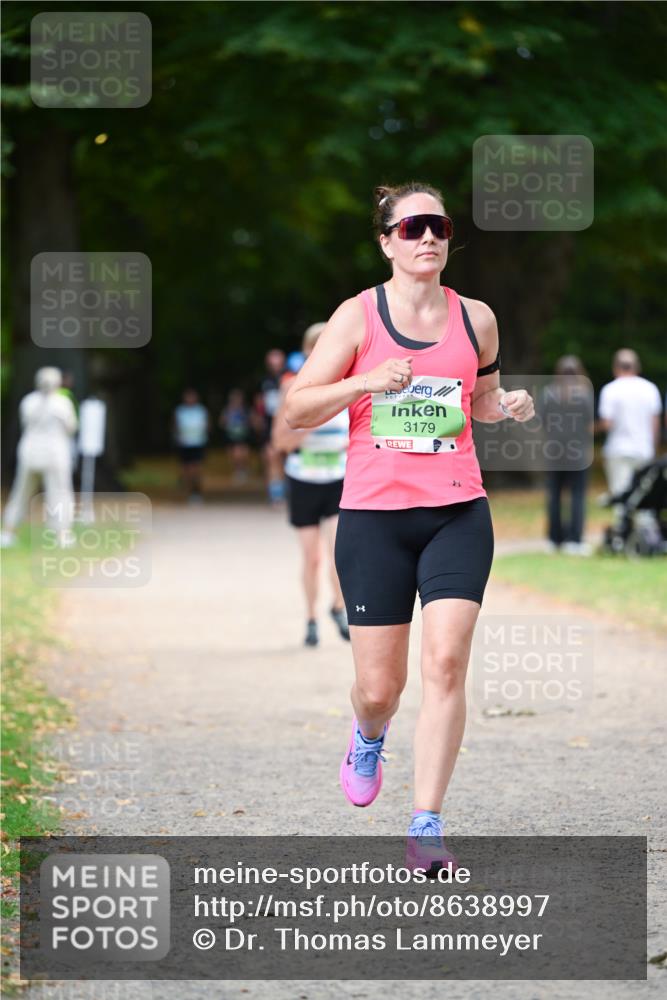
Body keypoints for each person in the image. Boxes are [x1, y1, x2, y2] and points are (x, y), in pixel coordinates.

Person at [285, 182, 534, 873]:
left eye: (440, 226)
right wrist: (365, 384)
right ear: (386, 240)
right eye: (413, 226)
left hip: (457, 510)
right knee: (378, 687)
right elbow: (297, 410)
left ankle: (425, 825)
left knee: (446, 664)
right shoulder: (357, 317)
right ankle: (368, 735)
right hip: (372, 517)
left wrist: (504, 404)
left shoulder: (476, 318)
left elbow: (476, 400)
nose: (427, 237)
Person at [273, 323, 350, 648]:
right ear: (306, 353)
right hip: (303, 478)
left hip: (338, 478)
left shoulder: (352, 385)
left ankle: (338, 607)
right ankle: (311, 618)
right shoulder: (292, 388)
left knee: (338, 553)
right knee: (312, 557)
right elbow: (280, 441)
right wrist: (312, 417)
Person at [1, 367, 78, 548]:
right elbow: (71, 427)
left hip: (29, 452)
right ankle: (62, 535)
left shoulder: (28, 401)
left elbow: (24, 424)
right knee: (59, 494)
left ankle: (8, 531)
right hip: (54, 454)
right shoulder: (63, 403)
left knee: (20, 493)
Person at [540, 356, 594, 555]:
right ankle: (575, 540)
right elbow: (590, 425)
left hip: (554, 452)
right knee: (577, 496)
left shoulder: (548, 393)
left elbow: (542, 422)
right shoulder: (585, 394)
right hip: (578, 453)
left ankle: (554, 539)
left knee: (554, 495)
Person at [598, 349, 662, 497]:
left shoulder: (610, 390)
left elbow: (607, 424)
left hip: (617, 449)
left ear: (615, 367)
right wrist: (653, 448)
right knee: (643, 498)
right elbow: (655, 424)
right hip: (643, 450)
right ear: (637, 367)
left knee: (621, 498)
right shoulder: (650, 389)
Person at [257, 349, 287, 505]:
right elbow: (259, 403)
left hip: (288, 424)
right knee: (271, 458)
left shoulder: (289, 376)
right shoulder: (264, 381)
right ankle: (275, 494)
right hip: (269, 425)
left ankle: (287, 491)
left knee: (284, 459)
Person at [173, 389, 209, 502]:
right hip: (184, 443)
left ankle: (196, 491)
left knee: (196, 468)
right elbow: (175, 426)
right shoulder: (180, 411)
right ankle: (190, 492)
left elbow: (207, 425)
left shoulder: (201, 410)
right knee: (186, 469)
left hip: (198, 443)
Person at [219, 388, 252, 483]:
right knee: (235, 454)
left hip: (243, 435)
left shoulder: (245, 409)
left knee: (244, 453)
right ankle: (238, 470)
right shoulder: (227, 410)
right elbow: (222, 422)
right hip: (232, 436)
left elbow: (250, 421)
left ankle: (243, 468)